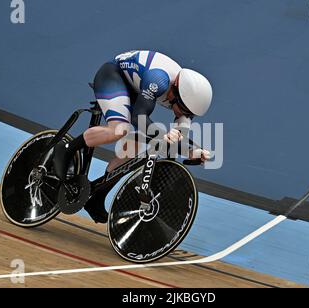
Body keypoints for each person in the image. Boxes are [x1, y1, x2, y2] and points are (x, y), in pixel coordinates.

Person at [53, 50, 213, 223]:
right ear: (176, 94)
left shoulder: (186, 101)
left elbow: (176, 140)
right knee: (120, 129)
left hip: (136, 88)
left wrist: (192, 151)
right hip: (113, 76)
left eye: (190, 114)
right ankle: (67, 149)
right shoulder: (158, 80)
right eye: (184, 111)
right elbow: (139, 116)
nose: (186, 115)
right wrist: (162, 135)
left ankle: (98, 195)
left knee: (134, 148)